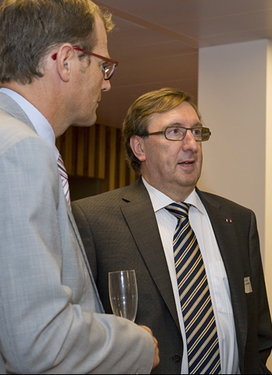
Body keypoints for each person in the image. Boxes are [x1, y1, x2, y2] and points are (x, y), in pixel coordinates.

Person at [0, 0, 159, 373]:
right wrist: (136, 344)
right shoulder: (20, 151)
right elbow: (38, 340)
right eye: (103, 64)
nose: (106, 81)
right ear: (66, 60)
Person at [72, 87, 272, 374]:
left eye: (196, 132)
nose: (191, 144)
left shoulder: (238, 221)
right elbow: (82, 331)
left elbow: (258, 334)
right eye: (175, 132)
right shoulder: (93, 220)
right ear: (139, 147)